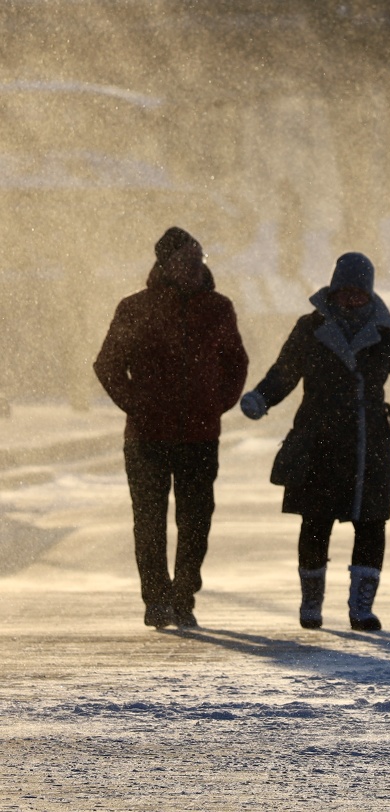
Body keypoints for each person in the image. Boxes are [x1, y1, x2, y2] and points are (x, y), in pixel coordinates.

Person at [239, 253, 390, 632]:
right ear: (334, 290)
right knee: (315, 523)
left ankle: (361, 608)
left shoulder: (385, 333)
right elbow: (285, 371)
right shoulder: (310, 327)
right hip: (318, 441)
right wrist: (262, 398)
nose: (352, 298)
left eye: (359, 292)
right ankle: (311, 600)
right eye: (346, 291)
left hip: (370, 445)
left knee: (371, 524)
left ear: (369, 293)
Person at [94, 227, 249, 629]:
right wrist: (136, 405)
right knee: (149, 521)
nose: (195, 266)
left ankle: (183, 595)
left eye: (199, 259)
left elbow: (236, 362)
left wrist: (217, 403)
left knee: (196, 520)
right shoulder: (135, 308)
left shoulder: (218, 308)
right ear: (165, 264)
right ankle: (156, 599)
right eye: (186, 259)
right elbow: (107, 364)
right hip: (146, 437)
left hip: (200, 434)